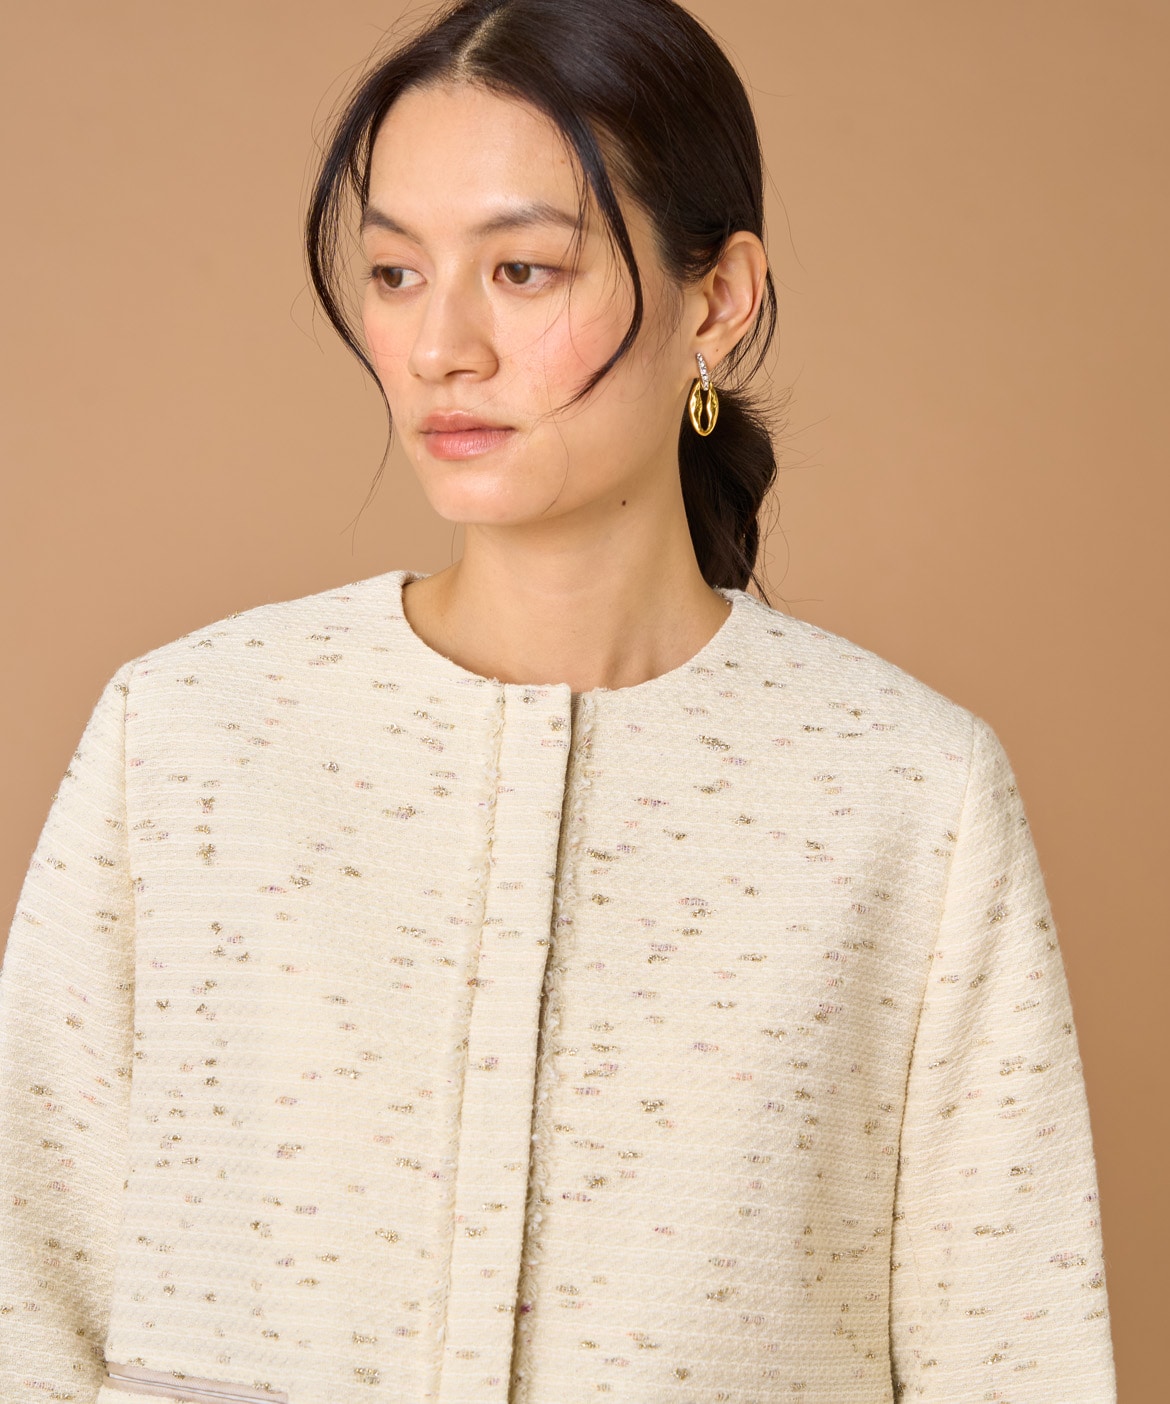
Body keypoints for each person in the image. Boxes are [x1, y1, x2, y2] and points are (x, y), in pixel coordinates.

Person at [0, 1, 1116, 1400]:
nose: (440, 346)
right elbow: (23, 1293)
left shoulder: (906, 792)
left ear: (718, 300)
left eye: (522, 269)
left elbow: (1012, 1360)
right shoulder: (190, 736)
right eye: (396, 274)